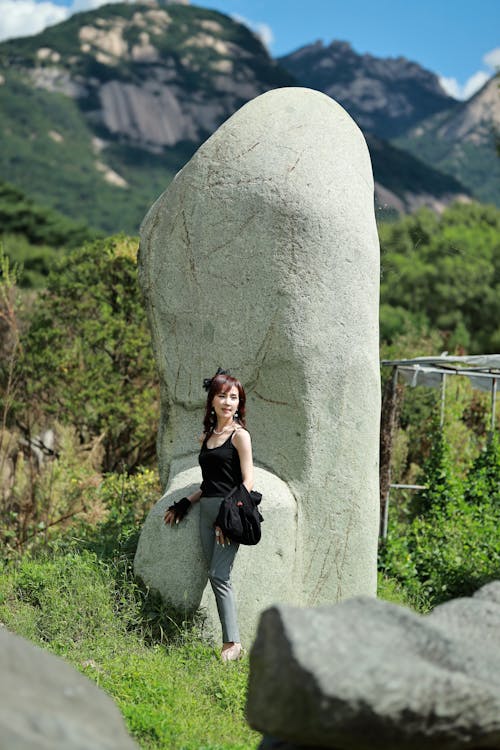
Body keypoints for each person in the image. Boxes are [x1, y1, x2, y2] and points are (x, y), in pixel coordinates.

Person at [164, 368, 254, 662]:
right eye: (222, 396)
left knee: (219, 574)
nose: (228, 402)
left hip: (229, 513)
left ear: (238, 403)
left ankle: (233, 644)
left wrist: (227, 516)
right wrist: (186, 503)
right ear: (212, 401)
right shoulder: (207, 436)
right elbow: (209, 483)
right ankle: (230, 641)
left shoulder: (240, 436)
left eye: (233, 397)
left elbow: (247, 480)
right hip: (206, 511)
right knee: (214, 576)